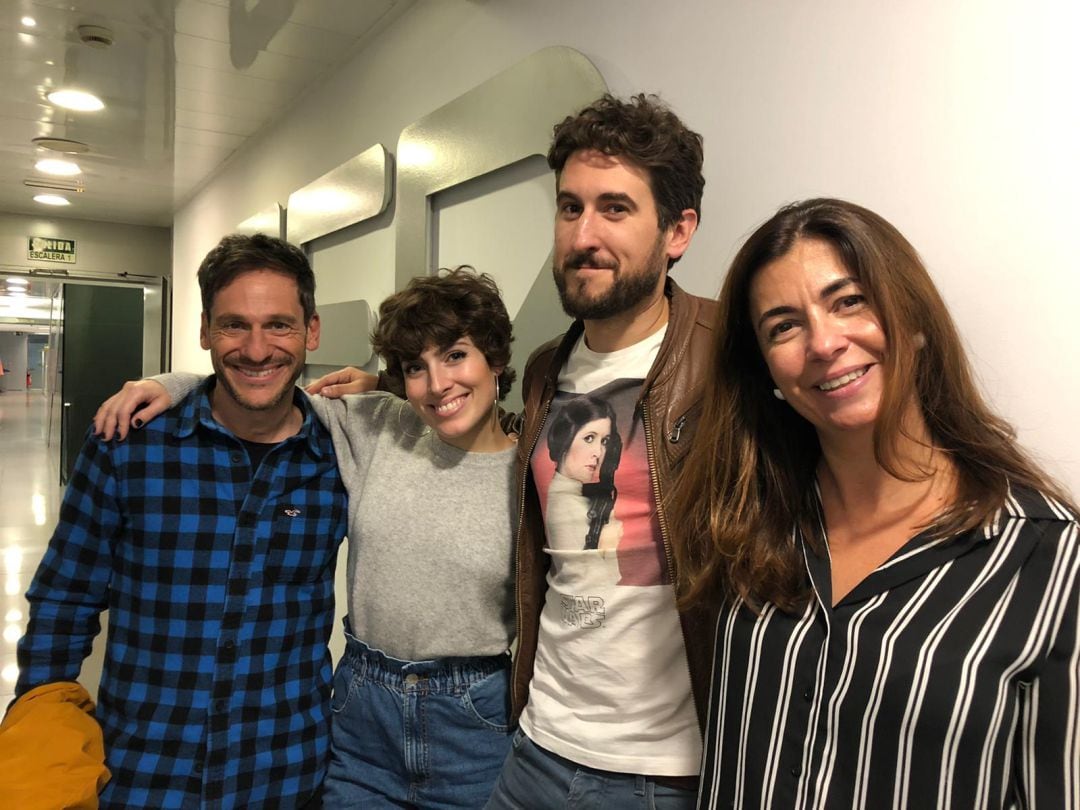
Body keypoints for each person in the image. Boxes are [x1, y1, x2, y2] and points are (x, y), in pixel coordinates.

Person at [670, 198, 1080, 809]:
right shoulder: (750, 523)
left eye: (848, 301)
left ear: (910, 315)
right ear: (767, 375)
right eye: (783, 325)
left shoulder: (1048, 557)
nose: (824, 342)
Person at [93, 268, 519, 809]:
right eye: (416, 367)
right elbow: (260, 388)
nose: (437, 384)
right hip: (364, 715)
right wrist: (165, 384)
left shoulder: (536, 473)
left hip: (475, 721)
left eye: (456, 356)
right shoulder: (380, 426)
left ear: (496, 359)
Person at [13, 233, 348, 808]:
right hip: (141, 770)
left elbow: (439, 402)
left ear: (311, 331)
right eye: (234, 325)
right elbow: (64, 599)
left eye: (280, 325)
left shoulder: (343, 454)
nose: (257, 348)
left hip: (285, 773)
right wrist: (41, 743)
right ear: (203, 332)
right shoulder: (128, 444)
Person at [483, 92, 717, 809]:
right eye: (569, 207)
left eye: (615, 209)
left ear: (677, 231)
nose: (584, 234)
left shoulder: (726, 356)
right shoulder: (547, 368)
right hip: (535, 745)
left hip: (657, 773)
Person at [544, 393, 623, 551]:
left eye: (604, 441)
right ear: (564, 439)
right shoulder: (564, 507)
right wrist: (607, 546)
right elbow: (580, 574)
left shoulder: (578, 497)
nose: (599, 452)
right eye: (589, 438)